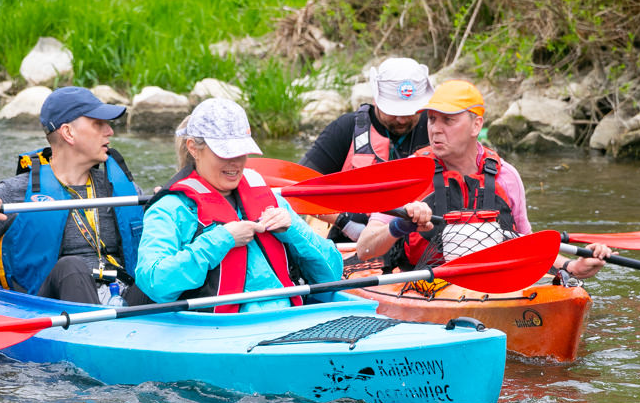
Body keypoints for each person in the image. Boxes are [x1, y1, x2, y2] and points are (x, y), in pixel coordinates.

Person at [356, 79, 612, 282]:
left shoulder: (506, 176)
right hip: (424, 286)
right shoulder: (407, 173)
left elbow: (523, 243)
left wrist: (572, 266)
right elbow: (364, 249)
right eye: (432, 119)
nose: (435, 128)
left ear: (476, 125)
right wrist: (401, 225)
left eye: (448, 120)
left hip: (493, 285)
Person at [135, 98, 343, 312]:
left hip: (286, 319)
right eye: (224, 153)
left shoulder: (271, 200)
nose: (235, 162)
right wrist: (221, 240)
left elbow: (333, 273)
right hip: (220, 331)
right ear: (194, 149)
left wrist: (295, 231)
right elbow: (154, 282)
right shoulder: (171, 209)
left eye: (240, 152)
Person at [0, 86, 149, 305]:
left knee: (158, 276)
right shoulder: (15, 192)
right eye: (98, 124)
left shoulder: (121, 189)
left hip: (122, 297)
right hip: (52, 309)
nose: (109, 131)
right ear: (68, 133)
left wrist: (166, 206)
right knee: (70, 267)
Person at [299, 57, 435, 242]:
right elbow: (299, 188)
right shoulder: (345, 129)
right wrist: (345, 223)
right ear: (376, 99)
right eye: (394, 111)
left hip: (418, 237)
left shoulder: (436, 128)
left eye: (410, 113)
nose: (402, 120)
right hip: (353, 238)